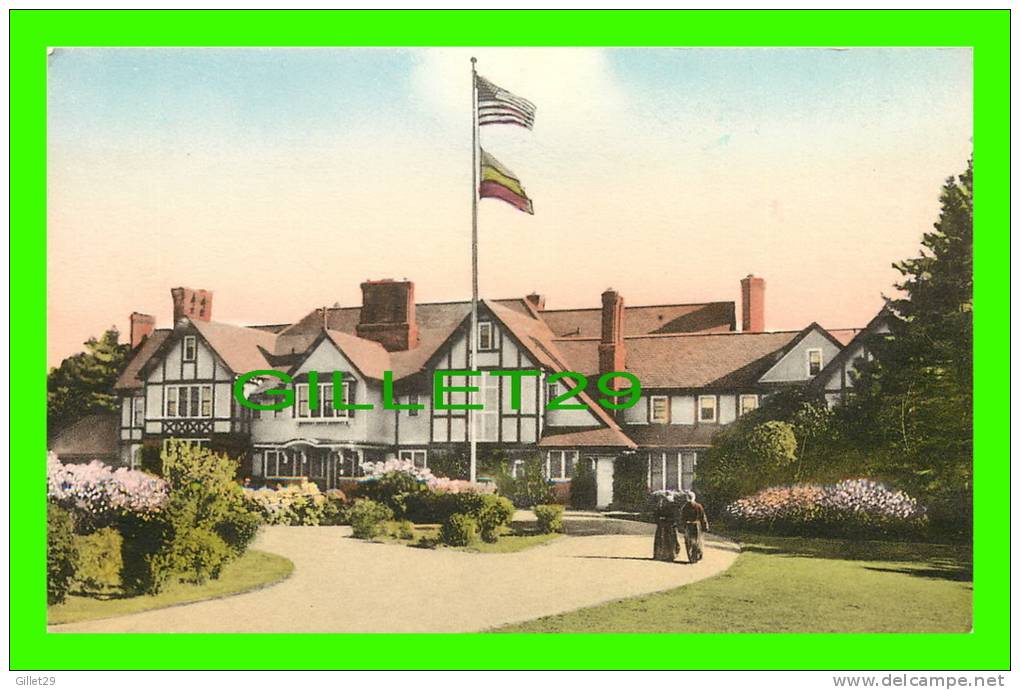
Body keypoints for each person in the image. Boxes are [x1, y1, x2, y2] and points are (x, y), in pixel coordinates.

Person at [680, 490, 709, 563]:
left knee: (692, 542)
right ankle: (695, 557)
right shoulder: (697, 506)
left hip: (691, 526)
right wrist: (705, 526)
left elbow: (682, 518)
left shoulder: (686, 507)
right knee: (694, 541)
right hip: (695, 526)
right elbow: (703, 517)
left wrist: (682, 527)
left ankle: (693, 557)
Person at [652, 492, 681, 562]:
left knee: (665, 539)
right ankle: (670, 555)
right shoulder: (672, 506)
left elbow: (656, 515)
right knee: (670, 540)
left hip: (665, 525)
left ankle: (662, 555)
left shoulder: (663, 505)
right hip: (669, 525)